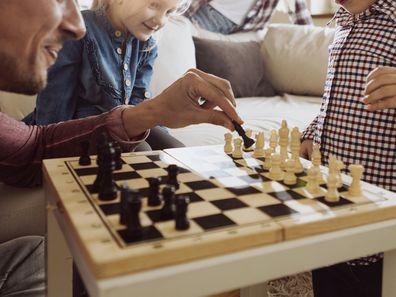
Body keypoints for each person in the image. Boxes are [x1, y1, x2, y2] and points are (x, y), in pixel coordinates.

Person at [0, 0, 243, 295]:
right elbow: (50, 123)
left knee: (165, 154)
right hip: (76, 135)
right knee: (139, 154)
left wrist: (155, 115)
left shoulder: (146, 44)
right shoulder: (86, 34)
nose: (77, 26)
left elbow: (31, 146)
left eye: (169, 12)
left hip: (109, 134)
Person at [300, 0, 396, 296]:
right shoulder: (344, 23)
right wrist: (312, 134)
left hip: (381, 231)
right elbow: (335, 101)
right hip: (331, 215)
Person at [23, 0, 192, 151]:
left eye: (169, 12)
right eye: (153, 5)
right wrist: (49, 148)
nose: (161, 21)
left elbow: (140, 102)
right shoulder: (79, 31)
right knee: (142, 152)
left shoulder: (147, 44)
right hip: (80, 127)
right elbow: (55, 104)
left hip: (128, 120)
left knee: (176, 150)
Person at [184, 0, 313, 35]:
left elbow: (299, 11)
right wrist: (180, 16)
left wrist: (312, 36)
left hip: (238, 27)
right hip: (208, 15)